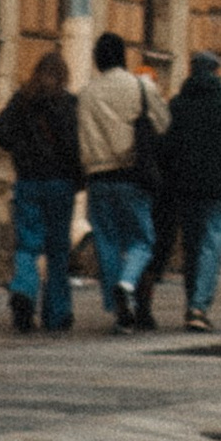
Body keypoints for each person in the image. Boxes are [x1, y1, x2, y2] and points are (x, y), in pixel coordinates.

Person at [75, 31, 168, 331]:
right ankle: (127, 285)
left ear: (97, 60)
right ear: (123, 56)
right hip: (132, 174)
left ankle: (119, 312)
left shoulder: (86, 93)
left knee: (106, 241)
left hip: (98, 178)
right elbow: (164, 123)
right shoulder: (139, 87)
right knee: (143, 240)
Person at [160, 51, 221, 330]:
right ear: (216, 72)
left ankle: (193, 302)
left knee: (192, 247)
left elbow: (166, 146)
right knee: (212, 247)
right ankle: (198, 307)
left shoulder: (177, 105)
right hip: (220, 189)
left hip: (185, 188)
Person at [0, 52, 83, 333]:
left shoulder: (21, 101)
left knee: (28, 244)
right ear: (63, 76)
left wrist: (21, 151)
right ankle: (57, 314)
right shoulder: (68, 104)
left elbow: (1, 133)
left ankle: (23, 289)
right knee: (57, 249)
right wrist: (78, 177)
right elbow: (74, 147)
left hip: (28, 182)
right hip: (59, 184)